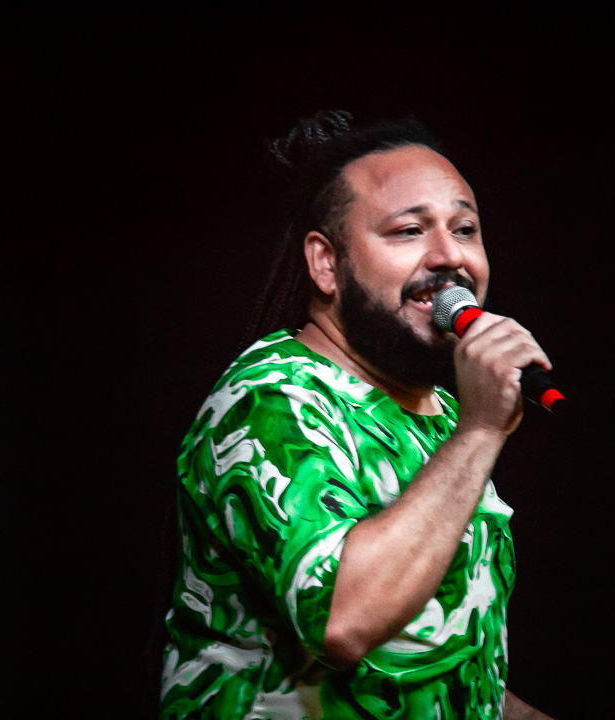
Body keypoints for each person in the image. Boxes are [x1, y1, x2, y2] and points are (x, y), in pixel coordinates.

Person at [160, 110, 554, 719]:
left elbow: (438, 669)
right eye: (408, 231)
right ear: (326, 263)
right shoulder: (272, 400)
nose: (449, 256)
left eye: (465, 229)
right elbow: (344, 622)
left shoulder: (439, 415)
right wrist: (480, 432)